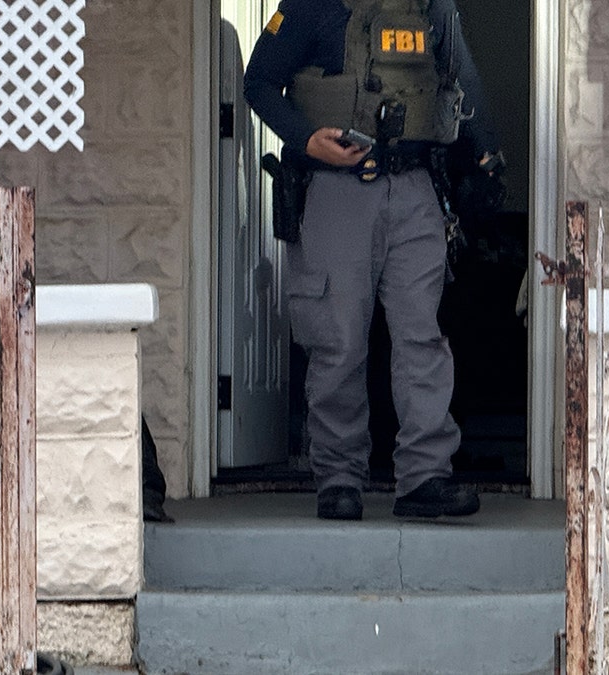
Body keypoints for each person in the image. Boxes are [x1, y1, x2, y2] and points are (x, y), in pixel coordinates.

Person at [243, 0, 502, 520]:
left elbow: (462, 78)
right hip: (337, 188)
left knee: (422, 337)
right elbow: (259, 83)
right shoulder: (312, 7)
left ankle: (425, 477)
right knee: (336, 339)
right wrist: (305, 139)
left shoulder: (433, 7)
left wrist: (488, 157)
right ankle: (338, 478)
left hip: (415, 187)